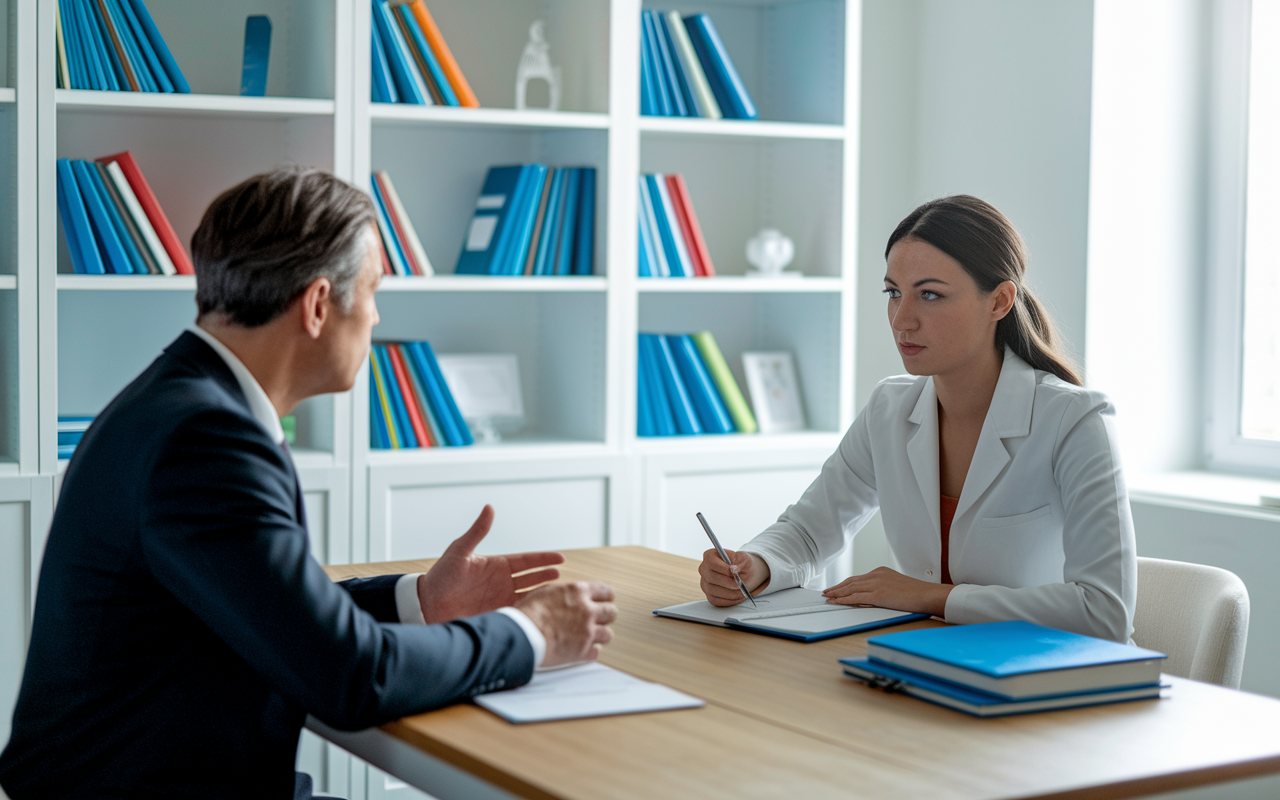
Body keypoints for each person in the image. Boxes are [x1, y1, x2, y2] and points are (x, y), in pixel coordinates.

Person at [0, 167, 618, 798]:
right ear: (319, 304)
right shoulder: (208, 441)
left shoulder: (178, 400)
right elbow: (352, 677)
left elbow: (276, 614)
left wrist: (423, 601)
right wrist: (536, 634)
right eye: (374, 291)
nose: (377, 316)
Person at [699, 195, 1136, 644]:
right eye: (893, 293)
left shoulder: (1077, 420)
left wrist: (935, 597)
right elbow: (810, 532)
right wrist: (756, 565)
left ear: (1000, 301)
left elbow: (1103, 614)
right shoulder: (890, 408)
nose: (902, 319)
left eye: (930, 295)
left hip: (1052, 681)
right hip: (929, 663)